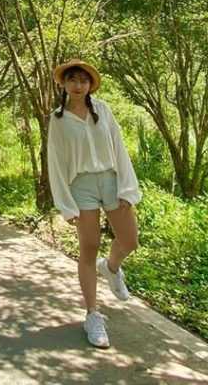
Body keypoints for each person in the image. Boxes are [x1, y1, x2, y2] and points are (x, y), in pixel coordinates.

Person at [47, 59, 141, 349]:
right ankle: (92, 315)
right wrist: (65, 204)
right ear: (64, 84)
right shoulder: (58, 119)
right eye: (72, 79)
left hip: (112, 180)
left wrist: (128, 187)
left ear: (90, 85)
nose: (77, 85)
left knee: (130, 241)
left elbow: (120, 148)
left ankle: (111, 267)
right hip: (81, 186)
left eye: (83, 80)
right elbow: (56, 163)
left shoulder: (104, 110)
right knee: (88, 248)